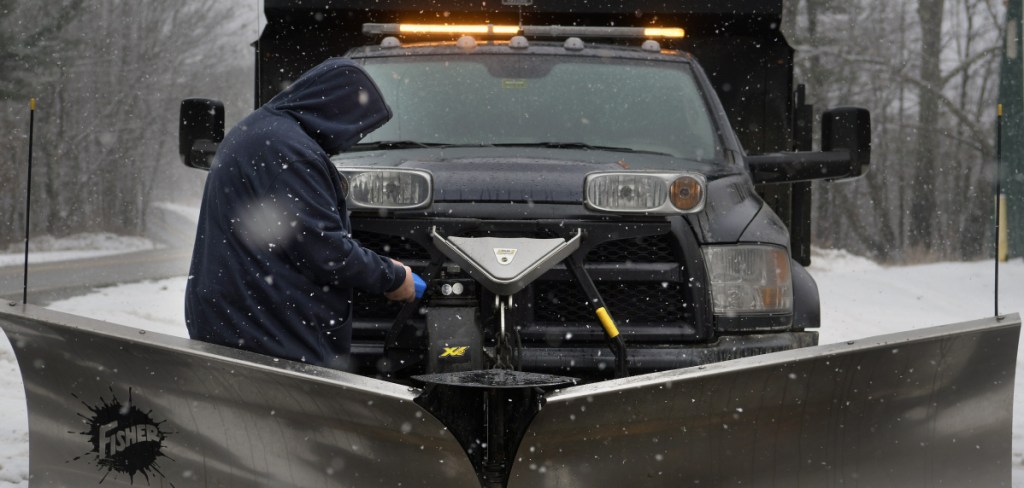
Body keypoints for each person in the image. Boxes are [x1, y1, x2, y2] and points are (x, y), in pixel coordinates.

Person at [185, 57, 414, 370]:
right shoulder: (290, 154)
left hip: (240, 325)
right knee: (297, 418)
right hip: (269, 338)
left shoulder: (262, 132)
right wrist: (392, 276)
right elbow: (326, 252)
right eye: (355, 126)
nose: (350, 141)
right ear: (334, 110)